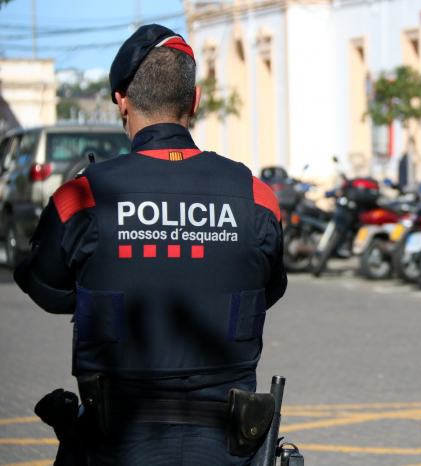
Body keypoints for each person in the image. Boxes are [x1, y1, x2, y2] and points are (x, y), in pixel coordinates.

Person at [14, 24, 286, 466]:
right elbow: (269, 288)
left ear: (121, 101)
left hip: (112, 444)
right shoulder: (257, 196)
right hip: (230, 447)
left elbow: (43, 287)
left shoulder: (80, 197)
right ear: (195, 102)